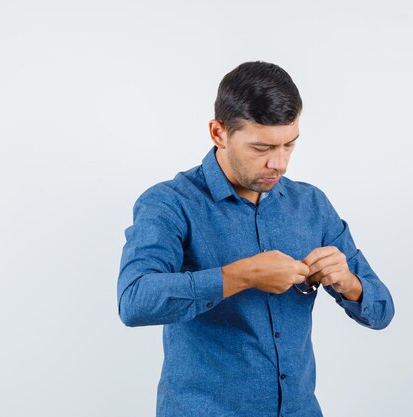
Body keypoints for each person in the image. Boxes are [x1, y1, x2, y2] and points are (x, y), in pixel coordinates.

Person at [117, 61, 395, 417]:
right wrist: (241, 276)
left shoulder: (311, 204)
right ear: (219, 133)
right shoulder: (169, 203)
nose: (279, 163)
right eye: (261, 148)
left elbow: (382, 312)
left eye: (289, 145)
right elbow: (134, 300)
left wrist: (350, 283)